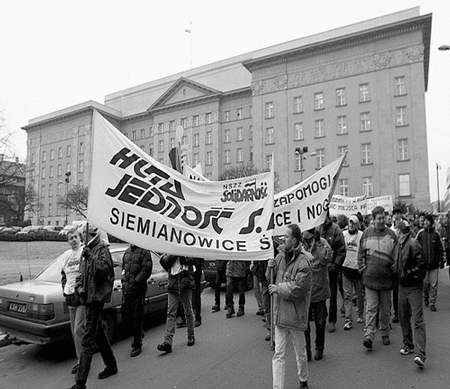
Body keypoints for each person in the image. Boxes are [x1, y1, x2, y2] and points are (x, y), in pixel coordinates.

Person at [69, 227, 117, 389]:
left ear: (89, 234)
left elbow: (105, 271)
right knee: (98, 335)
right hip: (88, 297)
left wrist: (90, 257)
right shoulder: (88, 250)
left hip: (96, 298)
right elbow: (84, 273)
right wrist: (79, 284)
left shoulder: (100, 249)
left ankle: (80, 382)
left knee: (88, 339)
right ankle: (112, 365)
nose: (81, 237)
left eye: (82, 234)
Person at [268, 224, 312, 389]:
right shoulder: (279, 257)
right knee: (278, 354)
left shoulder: (304, 261)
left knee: (300, 352)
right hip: (280, 314)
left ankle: (303, 379)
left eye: (286, 236)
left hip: (295, 315)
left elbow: (300, 288)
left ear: (294, 240)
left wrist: (278, 289)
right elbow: (270, 281)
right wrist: (269, 268)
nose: (283, 239)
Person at [358, 206, 398, 351]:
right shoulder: (366, 233)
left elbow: (396, 256)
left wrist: (395, 268)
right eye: (378, 218)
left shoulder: (392, 235)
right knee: (371, 309)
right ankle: (369, 336)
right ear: (373, 220)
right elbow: (360, 254)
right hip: (370, 280)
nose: (382, 221)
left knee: (386, 310)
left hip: (387, 281)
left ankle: (385, 332)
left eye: (383, 218)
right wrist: (362, 270)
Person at [396, 218, 427, 368]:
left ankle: (421, 354)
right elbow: (396, 263)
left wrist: (406, 274)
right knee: (403, 317)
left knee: (417, 320)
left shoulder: (413, 244)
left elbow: (421, 266)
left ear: (402, 232)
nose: (396, 233)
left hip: (413, 287)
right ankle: (408, 345)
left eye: (398, 230)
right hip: (402, 286)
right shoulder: (399, 244)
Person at [302, 228, 332, 361]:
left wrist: (318, 243)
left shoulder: (322, 242)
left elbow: (326, 259)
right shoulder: (300, 245)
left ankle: (319, 348)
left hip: (319, 290)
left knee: (320, 322)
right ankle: (306, 349)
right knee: (304, 324)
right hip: (305, 291)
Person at [157, 255, 196, 353]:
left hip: (185, 283)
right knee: (171, 312)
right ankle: (167, 342)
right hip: (173, 284)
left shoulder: (187, 246)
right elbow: (164, 262)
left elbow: (195, 260)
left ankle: (191, 335)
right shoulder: (170, 248)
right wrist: (174, 254)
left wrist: (183, 256)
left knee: (188, 310)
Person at [121, 244, 153, 357]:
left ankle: (137, 344)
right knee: (126, 314)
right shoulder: (127, 252)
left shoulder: (144, 251)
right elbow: (124, 269)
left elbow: (146, 269)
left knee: (137, 315)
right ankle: (139, 332)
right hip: (127, 289)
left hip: (138, 289)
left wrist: (135, 283)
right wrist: (124, 283)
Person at [61, 229, 85, 375]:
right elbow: (63, 274)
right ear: (68, 241)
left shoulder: (84, 251)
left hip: (81, 296)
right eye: (70, 238)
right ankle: (79, 359)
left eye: (75, 237)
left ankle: (83, 361)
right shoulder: (66, 256)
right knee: (73, 331)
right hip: (70, 296)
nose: (73, 240)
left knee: (78, 329)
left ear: (80, 237)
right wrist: (65, 287)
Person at [319, 212, 346, 333]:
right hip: (319, 269)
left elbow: (341, 249)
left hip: (332, 269)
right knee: (320, 294)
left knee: (333, 295)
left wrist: (335, 265)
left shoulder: (336, 229)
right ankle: (322, 316)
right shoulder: (316, 228)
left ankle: (332, 320)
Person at [416, 214, 444, 311]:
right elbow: (416, 247)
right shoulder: (420, 234)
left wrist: (441, 260)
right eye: (425, 221)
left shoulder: (436, 235)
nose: (426, 222)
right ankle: (426, 297)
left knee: (434, 284)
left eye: (428, 221)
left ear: (431, 222)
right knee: (425, 284)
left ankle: (432, 303)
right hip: (423, 265)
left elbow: (440, 248)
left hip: (434, 265)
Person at [342, 215, 364, 330]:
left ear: (357, 225)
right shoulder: (343, 234)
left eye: (353, 223)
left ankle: (360, 314)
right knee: (347, 296)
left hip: (358, 270)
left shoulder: (361, 235)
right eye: (349, 223)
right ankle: (348, 319)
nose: (351, 225)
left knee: (360, 295)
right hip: (346, 269)